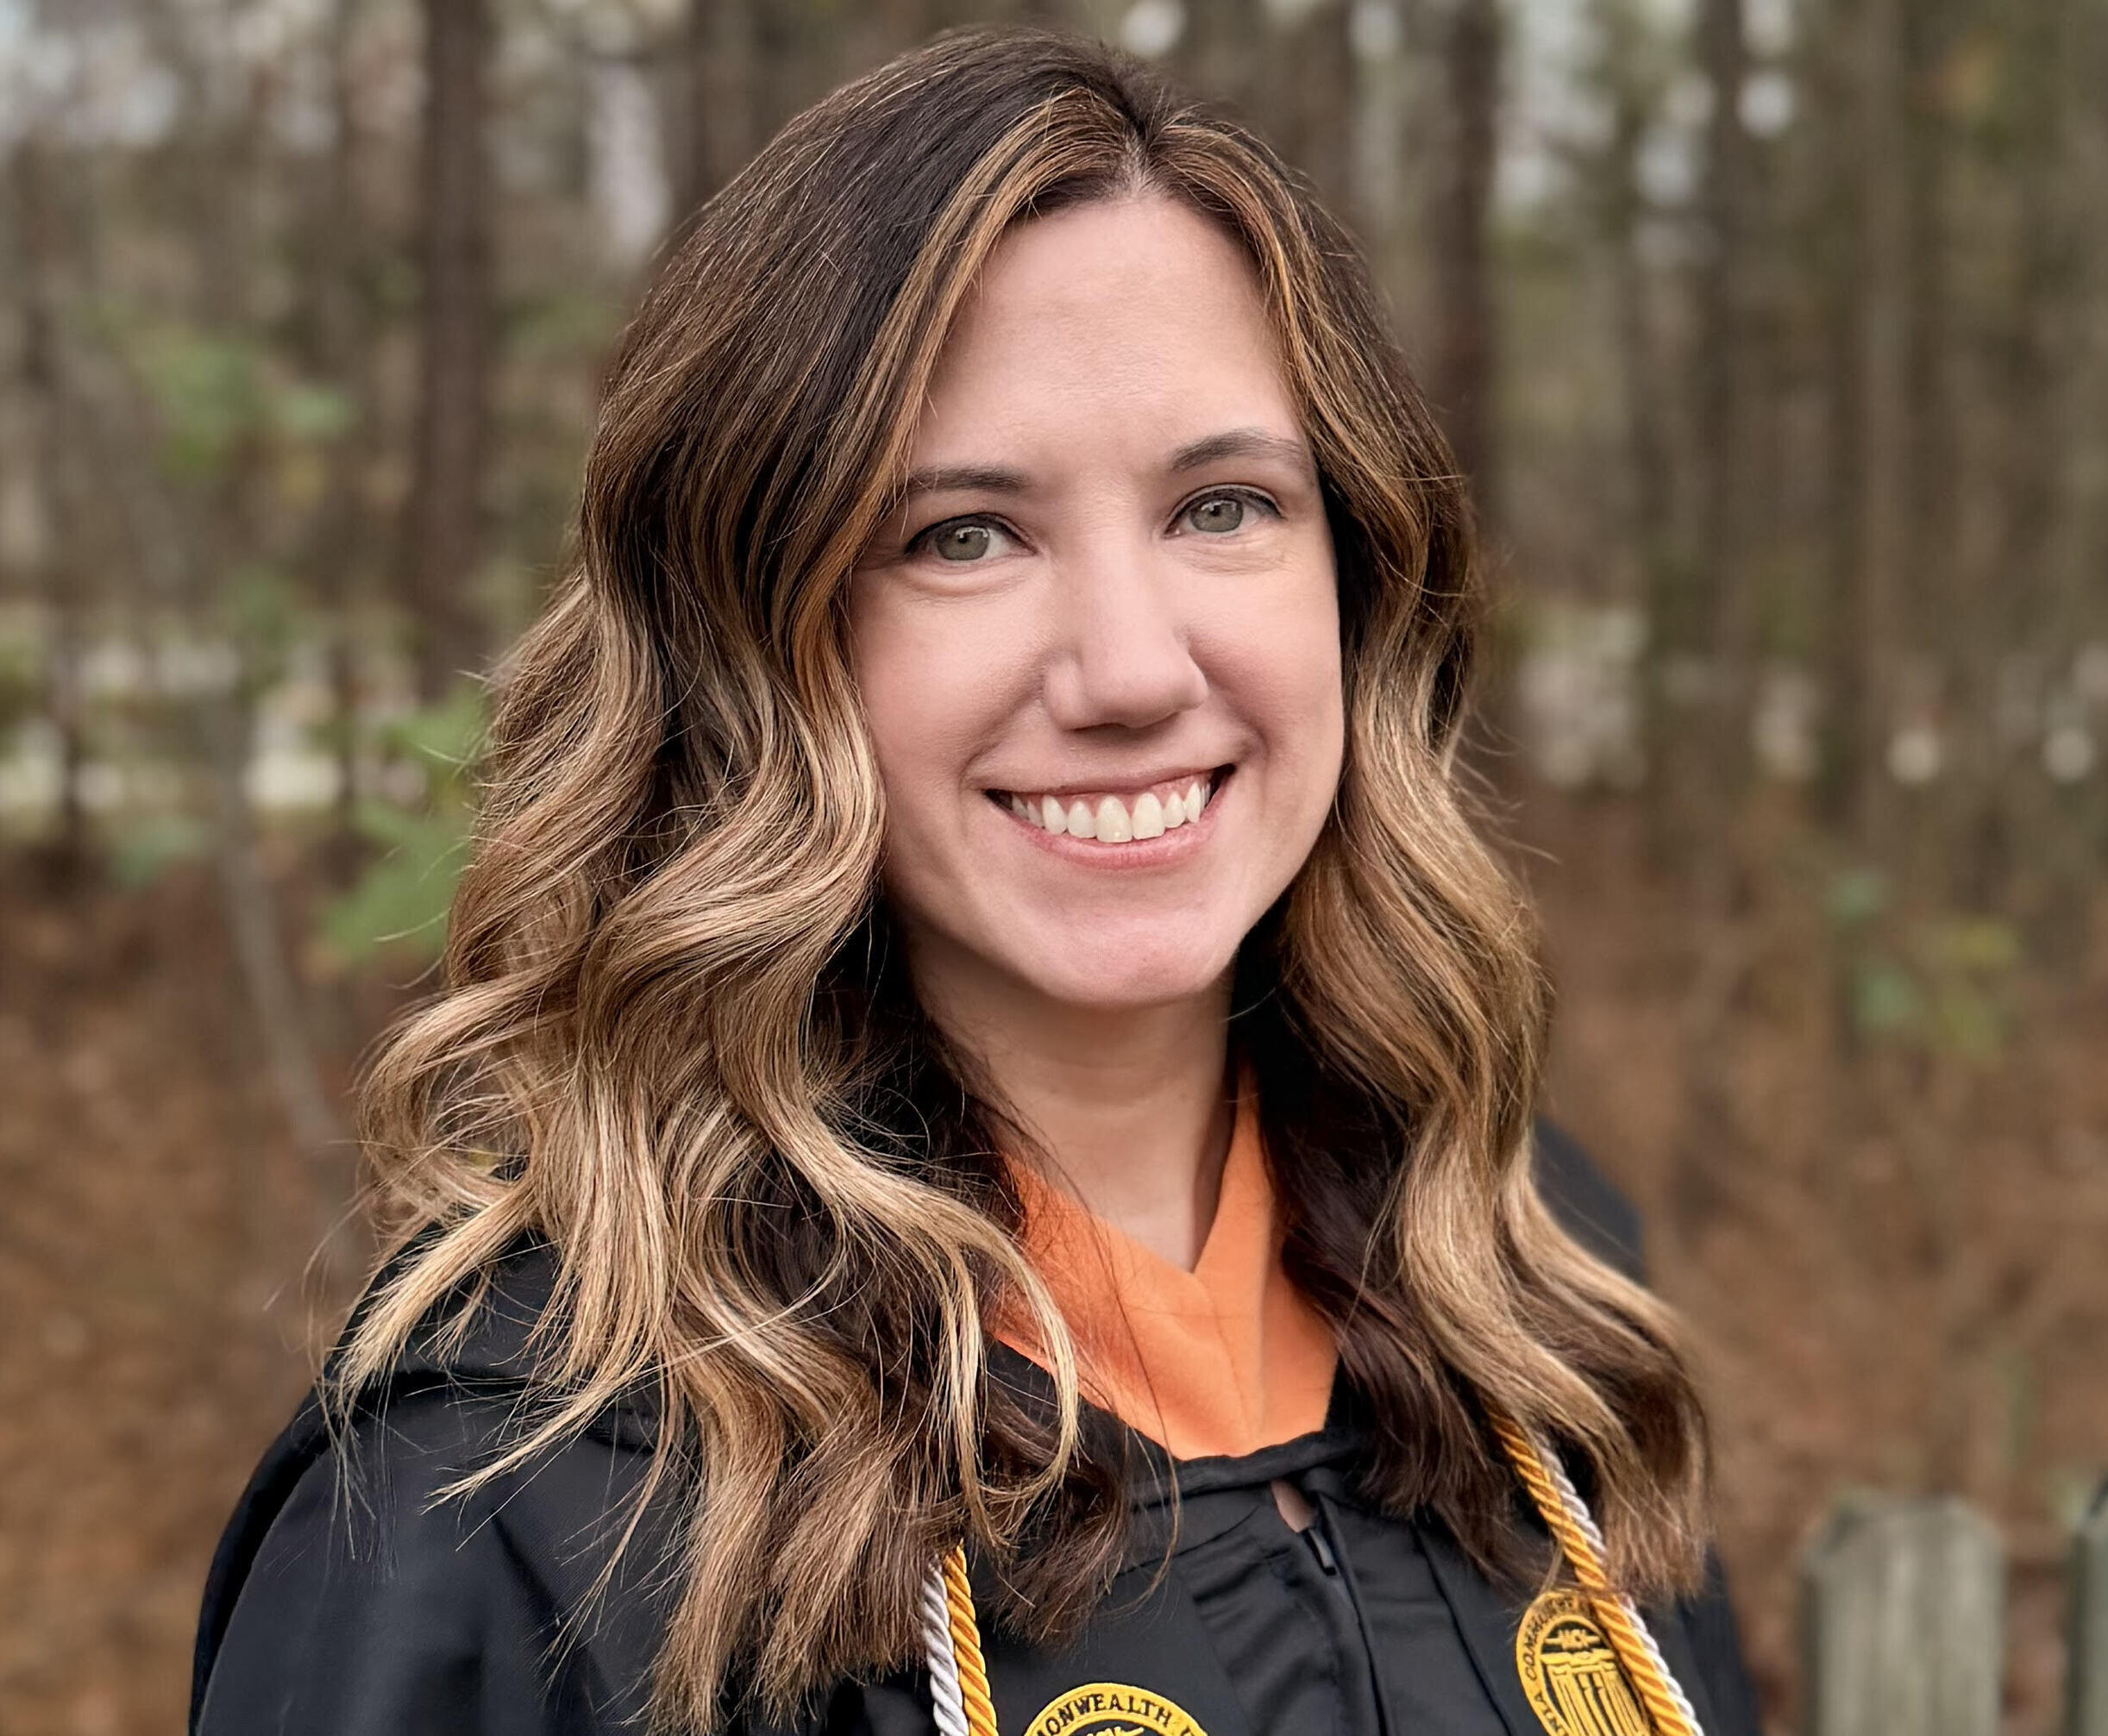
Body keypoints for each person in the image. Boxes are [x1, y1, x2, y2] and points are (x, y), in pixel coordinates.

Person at [191, 26, 1760, 1736]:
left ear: (1357, 580)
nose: (1126, 666)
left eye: (1221, 505)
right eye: (963, 535)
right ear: (758, 646)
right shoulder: (514, 1495)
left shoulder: (1524, 1298)